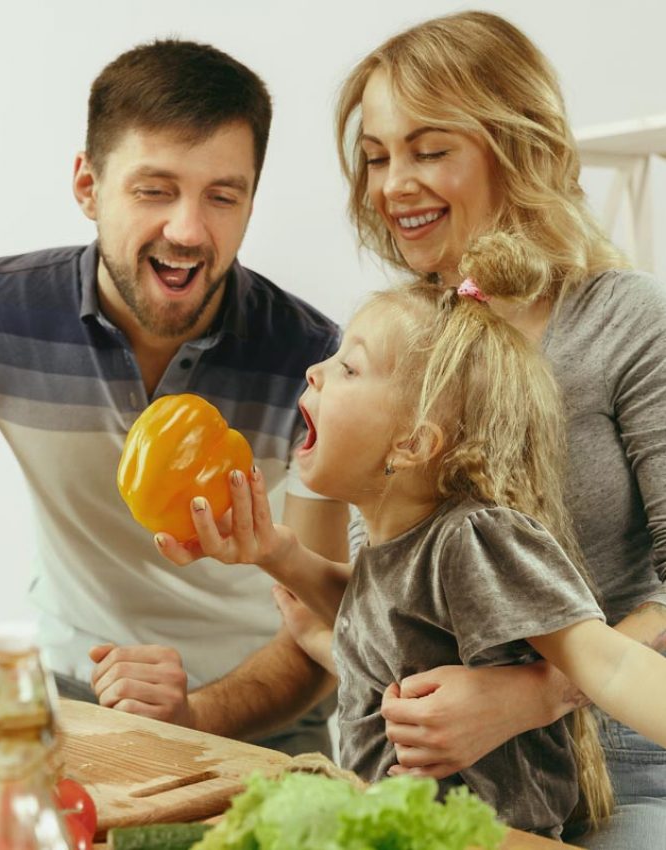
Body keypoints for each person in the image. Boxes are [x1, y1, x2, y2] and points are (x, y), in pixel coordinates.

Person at [156, 238, 666, 839]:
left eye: (349, 367)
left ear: (411, 445)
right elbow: (383, 613)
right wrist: (273, 551)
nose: (314, 371)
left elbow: (605, 666)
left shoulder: (474, 539)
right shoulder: (397, 544)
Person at [330, 10, 666, 846]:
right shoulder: (392, 351)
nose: (391, 185)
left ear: (515, 144)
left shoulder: (625, 321)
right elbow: (378, 598)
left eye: (428, 149)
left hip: (622, 767)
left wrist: (534, 693)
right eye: (376, 157)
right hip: (437, 782)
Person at [0, 38, 349, 756]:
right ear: (87, 187)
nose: (187, 230)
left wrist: (194, 715)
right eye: (154, 189)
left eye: (222, 196)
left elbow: (321, 628)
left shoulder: (317, 364)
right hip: (66, 698)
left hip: (262, 722)